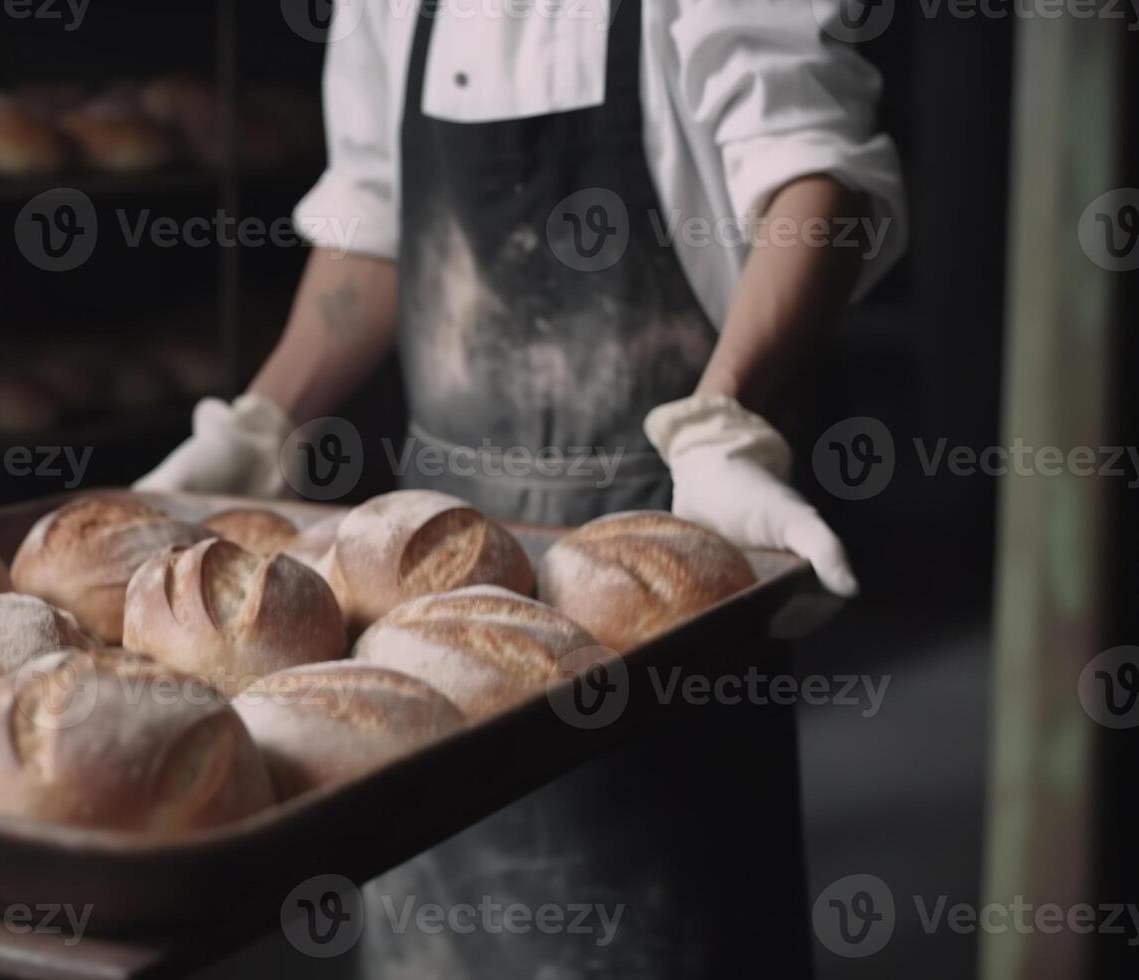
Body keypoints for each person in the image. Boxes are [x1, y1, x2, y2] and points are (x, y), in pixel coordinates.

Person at [143, 0, 905, 974]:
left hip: (669, 550)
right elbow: (369, 223)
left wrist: (726, 419)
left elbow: (815, 177)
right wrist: (263, 419)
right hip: (424, 600)